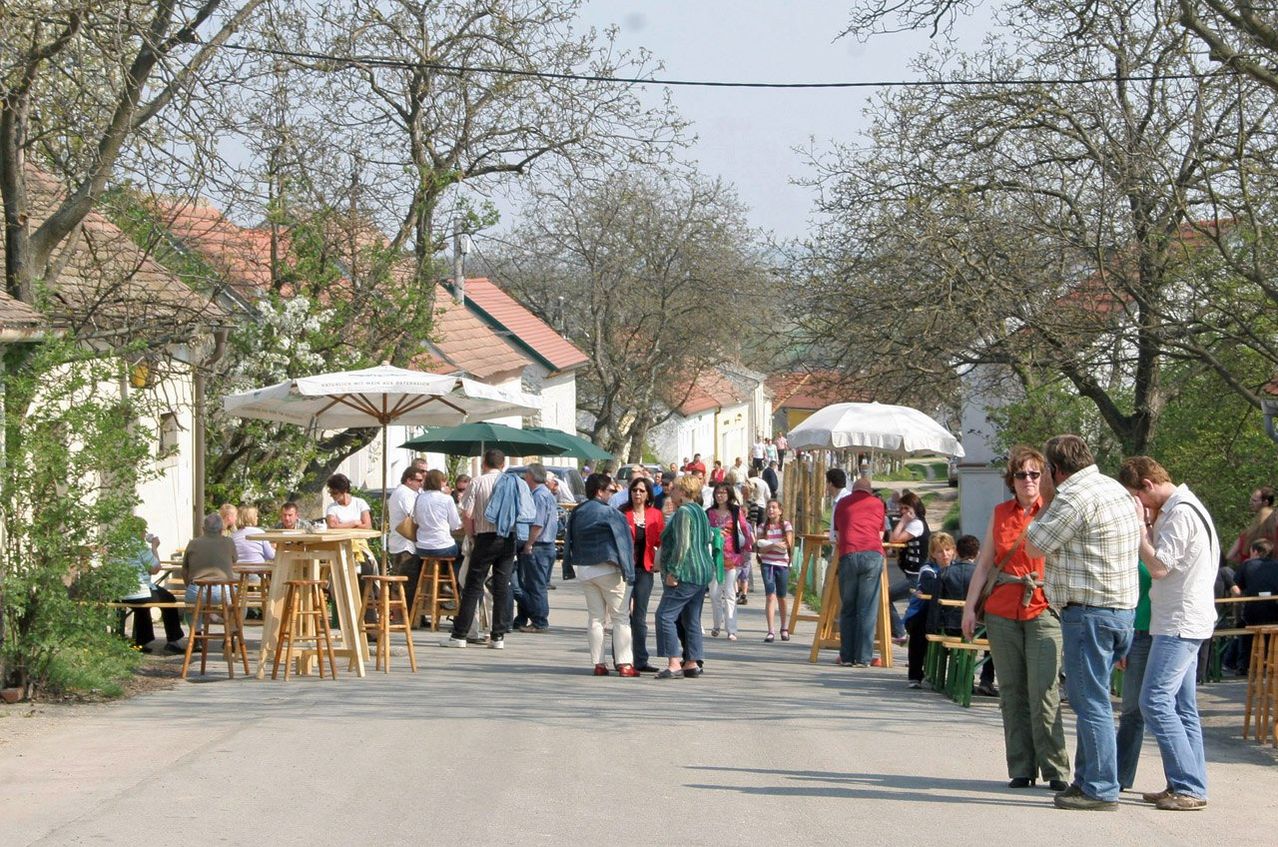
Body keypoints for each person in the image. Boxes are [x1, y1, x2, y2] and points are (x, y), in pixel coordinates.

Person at [1024, 435, 1142, 811]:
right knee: (1095, 697)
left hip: (1090, 612)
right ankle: (1087, 779)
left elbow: (1034, 544)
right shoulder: (1112, 488)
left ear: (1056, 470)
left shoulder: (1074, 497)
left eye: (1044, 473)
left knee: (1091, 702)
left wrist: (1043, 499)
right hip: (1121, 611)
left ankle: (1101, 787)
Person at [961, 445, 1070, 792]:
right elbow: (984, 565)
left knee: (1045, 691)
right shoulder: (1000, 513)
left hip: (1043, 606)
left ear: (1045, 478)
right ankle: (1021, 767)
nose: (1028, 480)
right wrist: (969, 607)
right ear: (1012, 480)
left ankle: (1055, 769)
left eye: (1035, 474)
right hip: (1002, 608)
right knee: (1011, 691)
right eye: (1021, 474)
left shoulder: (1055, 512)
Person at [1119, 456, 1218, 812]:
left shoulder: (1181, 513)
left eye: (1139, 498)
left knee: (1154, 701)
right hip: (1183, 619)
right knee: (1182, 707)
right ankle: (1189, 783)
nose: (1141, 506)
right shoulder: (1187, 508)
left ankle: (1189, 786)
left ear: (1147, 485)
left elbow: (1159, 566)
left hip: (1179, 622)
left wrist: (1141, 531)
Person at [442, 450, 520, 649]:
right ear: (503, 464)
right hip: (509, 537)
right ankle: (498, 636)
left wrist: (471, 536)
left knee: (473, 585)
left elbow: (467, 513)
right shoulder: (513, 482)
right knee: (501, 586)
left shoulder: (477, 482)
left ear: (484, 462)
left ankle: (459, 634)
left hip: (485, 536)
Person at [563, 473, 637, 676]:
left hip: (584, 568)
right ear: (600, 491)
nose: (612, 494)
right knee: (620, 617)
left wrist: (568, 566)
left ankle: (599, 664)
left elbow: (569, 539)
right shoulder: (611, 513)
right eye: (610, 490)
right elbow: (624, 544)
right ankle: (625, 664)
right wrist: (629, 572)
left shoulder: (577, 511)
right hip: (608, 567)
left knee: (595, 618)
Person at [655, 473, 720, 679]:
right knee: (691, 618)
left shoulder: (684, 512)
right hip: (702, 571)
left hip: (687, 571)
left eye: (674, 489)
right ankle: (691, 662)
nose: (670, 491)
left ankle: (674, 662)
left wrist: (673, 571)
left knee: (665, 615)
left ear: (682, 492)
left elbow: (683, 544)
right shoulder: (700, 511)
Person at [832, 476, 887, 667]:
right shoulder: (878, 504)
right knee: (867, 608)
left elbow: (837, 534)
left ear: (853, 489)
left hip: (848, 554)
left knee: (848, 607)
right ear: (869, 491)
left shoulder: (842, 503)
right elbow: (880, 534)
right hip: (872, 555)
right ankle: (863, 658)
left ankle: (846, 656)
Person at [117, 517, 184, 653]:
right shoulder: (140, 547)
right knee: (169, 599)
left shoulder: (117, 545)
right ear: (140, 531)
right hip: (138, 591)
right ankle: (173, 641)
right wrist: (154, 547)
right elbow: (155, 569)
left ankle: (142, 642)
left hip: (120, 592)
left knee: (142, 606)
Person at [621, 477, 664, 673]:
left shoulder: (655, 514)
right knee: (621, 615)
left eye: (641, 491)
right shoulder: (623, 513)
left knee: (639, 616)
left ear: (648, 494)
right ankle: (621, 659)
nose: (637, 494)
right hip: (624, 570)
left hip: (645, 569)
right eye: (634, 490)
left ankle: (640, 659)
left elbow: (661, 541)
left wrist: (659, 562)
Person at [412, 469, 462, 620]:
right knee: (463, 552)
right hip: (442, 546)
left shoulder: (419, 498)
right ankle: (450, 585)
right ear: (440, 482)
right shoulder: (446, 499)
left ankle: (445, 582)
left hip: (422, 547)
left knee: (449, 550)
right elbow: (455, 525)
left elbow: (415, 521)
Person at [706, 483, 753, 641]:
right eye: (718, 493)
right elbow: (705, 532)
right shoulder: (709, 513)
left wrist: (748, 547)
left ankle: (731, 629)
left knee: (730, 593)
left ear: (729, 494)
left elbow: (745, 529)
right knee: (714, 594)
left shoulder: (735, 511)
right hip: (714, 557)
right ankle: (716, 623)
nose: (720, 495)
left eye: (723, 493)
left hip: (732, 557)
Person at [514, 463, 558, 633]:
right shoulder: (544, 494)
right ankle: (523, 617)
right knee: (529, 583)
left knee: (536, 585)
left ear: (531, 476)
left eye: (526, 474)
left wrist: (529, 544)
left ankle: (540, 621)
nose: (525, 477)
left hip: (539, 545)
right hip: (544, 545)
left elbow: (537, 524)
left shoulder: (539, 496)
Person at [905, 534, 952, 687]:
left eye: (947, 550)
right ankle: (915, 675)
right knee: (919, 629)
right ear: (932, 554)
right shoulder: (927, 569)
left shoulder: (957, 568)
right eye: (939, 551)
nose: (944, 554)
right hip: (922, 612)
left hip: (948, 615)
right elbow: (931, 588)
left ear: (954, 551)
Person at [888, 491, 930, 645]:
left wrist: (902, 521)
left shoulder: (917, 524)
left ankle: (899, 632)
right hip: (912, 574)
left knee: (885, 596)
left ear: (914, 508)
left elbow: (894, 539)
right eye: (901, 509)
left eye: (906, 508)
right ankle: (902, 633)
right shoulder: (913, 523)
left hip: (916, 577)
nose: (903, 512)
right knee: (913, 612)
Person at [756, 499, 794, 643]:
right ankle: (770, 630)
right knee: (770, 596)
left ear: (780, 510)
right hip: (767, 564)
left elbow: (787, 545)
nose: (771, 510)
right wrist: (774, 545)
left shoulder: (786, 525)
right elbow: (759, 548)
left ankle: (784, 627)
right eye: (769, 508)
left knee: (782, 596)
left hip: (782, 564)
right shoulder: (762, 527)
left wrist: (769, 546)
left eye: (774, 507)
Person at [388, 466, 425, 612]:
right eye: (418, 480)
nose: (421, 483)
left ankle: (412, 616)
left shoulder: (406, 492)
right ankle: (405, 616)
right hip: (405, 543)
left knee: (407, 582)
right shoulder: (405, 493)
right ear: (409, 480)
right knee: (406, 583)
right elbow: (414, 515)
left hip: (404, 543)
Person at [181, 512, 236, 604]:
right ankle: (217, 618)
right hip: (221, 591)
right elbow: (234, 560)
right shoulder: (229, 542)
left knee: (194, 613)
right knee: (241, 607)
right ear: (221, 530)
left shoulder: (193, 543)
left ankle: (210, 617)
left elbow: (184, 571)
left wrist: (189, 587)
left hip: (196, 590)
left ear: (203, 529)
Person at [325, 473, 375, 571]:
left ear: (344, 491)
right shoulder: (332, 507)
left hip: (359, 543)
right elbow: (332, 526)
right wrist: (355, 523)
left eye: (334, 492)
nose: (331, 495)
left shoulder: (360, 503)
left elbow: (367, 525)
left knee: (367, 567)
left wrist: (341, 525)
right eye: (330, 492)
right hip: (340, 545)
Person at [1226, 486, 1274, 564]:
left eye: (1254, 500)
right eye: (1251, 499)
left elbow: (1230, 556)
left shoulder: (1252, 532)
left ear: (1265, 502)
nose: (1250, 502)